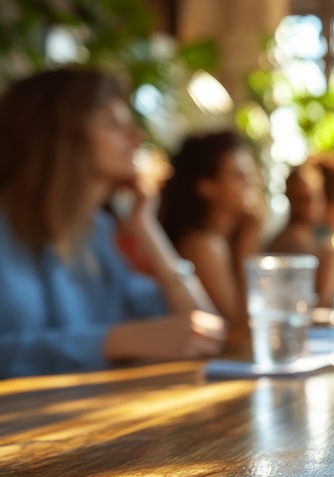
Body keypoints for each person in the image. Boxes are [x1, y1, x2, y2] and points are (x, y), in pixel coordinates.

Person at [0, 68, 225, 378]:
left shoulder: (96, 235)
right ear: (59, 134)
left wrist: (147, 226)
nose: (137, 136)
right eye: (113, 124)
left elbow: (202, 327)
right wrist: (111, 341)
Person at [158, 131, 264, 326]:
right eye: (238, 176)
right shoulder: (204, 245)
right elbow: (241, 324)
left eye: (250, 175)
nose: (250, 183)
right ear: (207, 187)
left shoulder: (224, 239)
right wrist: (250, 238)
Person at [268, 155, 334, 305]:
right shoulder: (296, 238)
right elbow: (323, 304)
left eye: (316, 198)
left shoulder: (316, 239)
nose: (309, 207)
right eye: (301, 199)